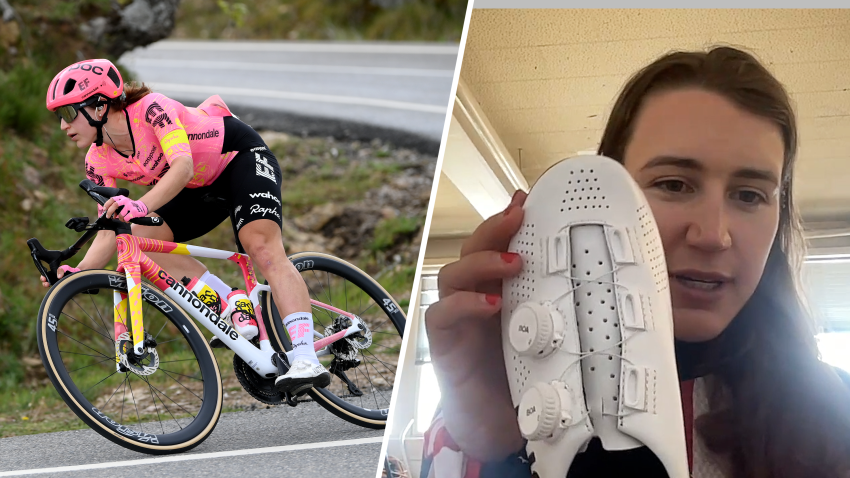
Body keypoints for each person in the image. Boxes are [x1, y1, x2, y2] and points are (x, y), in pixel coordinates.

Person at [421, 46, 850, 478]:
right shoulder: (478, 404)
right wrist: (497, 445)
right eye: (674, 184)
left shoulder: (839, 411)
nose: (713, 235)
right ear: (604, 194)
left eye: (749, 195)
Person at [40, 58, 331, 394]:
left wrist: (141, 204)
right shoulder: (97, 159)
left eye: (67, 114)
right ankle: (231, 301)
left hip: (237, 160)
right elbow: (110, 225)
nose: (63, 126)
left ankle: (306, 357)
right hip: (196, 191)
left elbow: (182, 167)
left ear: (98, 106)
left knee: (262, 247)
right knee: (137, 240)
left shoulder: (152, 110)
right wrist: (79, 272)